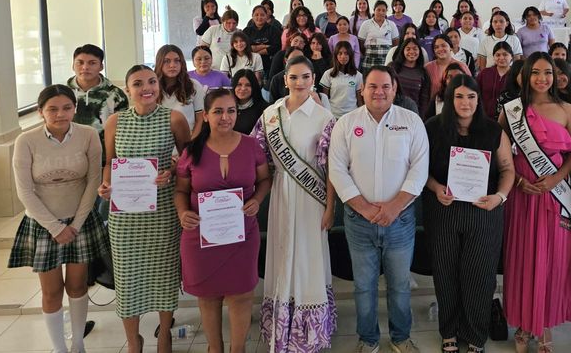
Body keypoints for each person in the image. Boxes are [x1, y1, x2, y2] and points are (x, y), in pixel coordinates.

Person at [329, 65, 429, 353]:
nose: (379, 91)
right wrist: (363, 207)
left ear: (395, 89)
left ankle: (400, 338)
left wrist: (394, 208)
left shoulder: (411, 122)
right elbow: (337, 170)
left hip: (400, 221)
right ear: (362, 90)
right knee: (363, 287)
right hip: (358, 221)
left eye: (385, 86)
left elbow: (418, 170)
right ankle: (368, 339)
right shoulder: (346, 124)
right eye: (373, 86)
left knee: (399, 286)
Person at [97, 65, 191, 353]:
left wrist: (172, 170)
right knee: (127, 279)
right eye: (138, 83)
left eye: (151, 81)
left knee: (164, 275)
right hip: (125, 216)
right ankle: (133, 339)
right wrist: (104, 185)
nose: (146, 87)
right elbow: (109, 163)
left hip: (162, 211)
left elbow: (189, 163)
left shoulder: (174, 118)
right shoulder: (115, 121)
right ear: (127, 90)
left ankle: (164, 335)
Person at [9, 85, 109, 353]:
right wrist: (55, 227)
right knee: (52, 291)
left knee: (77, 286)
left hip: (80, 221)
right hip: (43, 225)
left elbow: (93, 182)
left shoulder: (88, 135)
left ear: (75, 108)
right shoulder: (26, 141)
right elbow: (24, 191)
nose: (60, 114)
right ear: (41, 111)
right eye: (52, 109)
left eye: (66, 107)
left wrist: (75, 225)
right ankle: (59, 348)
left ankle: (77, 344)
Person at [423, 74, 515, 353]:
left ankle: (475, 335)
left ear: (479, 99)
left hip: (483, 212)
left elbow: (508, 169)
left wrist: (499, 197)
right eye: (459, 96)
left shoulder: (492, 130)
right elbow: (419, 169)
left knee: (479, 275)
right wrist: (437, 187)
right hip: (443, 210)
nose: (465, 102)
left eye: (471, 96)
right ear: (449, 99)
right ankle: (449, 331)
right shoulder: (432, 128)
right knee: (445, 272)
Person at [174, 89, 270, 353]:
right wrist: (183, 213)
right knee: (209, 297)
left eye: (231, 111)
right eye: (218, 111)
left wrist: (257, 201)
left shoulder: (251, 145)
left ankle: (237, 349)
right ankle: (214, 348)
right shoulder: (192, 150)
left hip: (241, 235)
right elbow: (181, 191)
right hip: (201, 237)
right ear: (205, 116)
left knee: (241, 296)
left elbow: (264, 180)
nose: (225, 117)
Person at [499, 52, 571, 353]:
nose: (542, 78)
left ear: (557, 76)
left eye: (548, 72)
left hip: (554, 195)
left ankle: (544, 324)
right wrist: (519, 182)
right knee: (522, 259)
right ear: (524, 76)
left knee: (553, 259)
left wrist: (556, 179)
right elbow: (501, 153)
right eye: (535, 72)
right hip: (522, 195)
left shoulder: (567, 109)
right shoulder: (511, 111)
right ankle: (523, 324)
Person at [255, 55, 338, 352]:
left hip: (312, 200)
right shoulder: (270, 114)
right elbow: (258, 157)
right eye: (294, 77)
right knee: (281, 254)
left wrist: (330, 207)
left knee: (308, 259)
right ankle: (282, 330)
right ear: (285, 80)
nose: (299, 83)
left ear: (313, 79)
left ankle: (310, 334)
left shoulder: (325, 118)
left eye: (305, 77)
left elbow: (331, 168)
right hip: (280, 195)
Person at [155, 45, 205, 139]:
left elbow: (200, 119)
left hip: (187, 142)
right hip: (159, 144)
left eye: (177, 60)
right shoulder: (152, 87)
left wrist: (190, 146)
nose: (172, 65)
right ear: (159, 63)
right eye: (167, 61)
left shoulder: (194, 86)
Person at [391, 37, 431, 119]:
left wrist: (421, 119)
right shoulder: (393, 67)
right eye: (408, 49)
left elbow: (424, 100)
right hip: (392, 113)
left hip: (413, 114)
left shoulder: (423, 73)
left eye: (415, 49)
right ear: (403, 51)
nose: (412, 52)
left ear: (419, 51)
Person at [320, 41, 363, 118]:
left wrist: (362, 115)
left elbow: (359, 100)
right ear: (336, 55)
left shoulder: (358, 75)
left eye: (346, 53)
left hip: (352, 115)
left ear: (350, 55)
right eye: (340, 53)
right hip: (333, 114)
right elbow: (325, 98)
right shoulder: (328, 74)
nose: (343, 56)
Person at [242, 4, 282, 82]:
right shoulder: (247, 31)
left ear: (266, 16)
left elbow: (276, 47)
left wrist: (255, 50)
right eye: (256, 15)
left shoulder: (274, 30)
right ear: (252, 16)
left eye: (262, 15)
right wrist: (265, 46)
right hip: (250, 66)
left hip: (268, 66)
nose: (259, 17)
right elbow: (245, 48)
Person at [426, 35, 472, 101]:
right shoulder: (428, 68)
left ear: (450, 47)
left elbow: (470, 88)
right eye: (436, 47)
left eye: (443, 46)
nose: (440, 49)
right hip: (435, 107)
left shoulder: (462, 66)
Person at [358, 0, 399, 71]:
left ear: (386, 12)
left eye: (384, 10)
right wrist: (371, 52)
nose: (381, 12)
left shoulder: (391, 24)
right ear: (374, 10)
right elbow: (360, 43)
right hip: (369, 58)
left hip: (386, 59)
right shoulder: (366, 24)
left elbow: (395, 43)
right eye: (378, 10)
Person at [477, 41, 514, 119]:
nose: (501, 58)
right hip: (484, 118)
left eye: (505, 54)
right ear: (493, 57)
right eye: (497, 55)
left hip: (508, 120)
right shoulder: (485, 73)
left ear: (511, 56)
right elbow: (475, 93)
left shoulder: (516, 75)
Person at [200, 7, 239, 71]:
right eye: (228, 23)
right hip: (214, 68)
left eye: (234, 23)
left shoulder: (239, 33)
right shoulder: (213, 29)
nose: (231, 26)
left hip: (232, 69)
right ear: (222, 21)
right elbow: (203, 49)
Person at [232, 70, 266, 134]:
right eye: (239, 84)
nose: (243, 88)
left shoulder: (263, 109)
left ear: (254, 87)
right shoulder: (227, 107)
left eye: (248, 85)